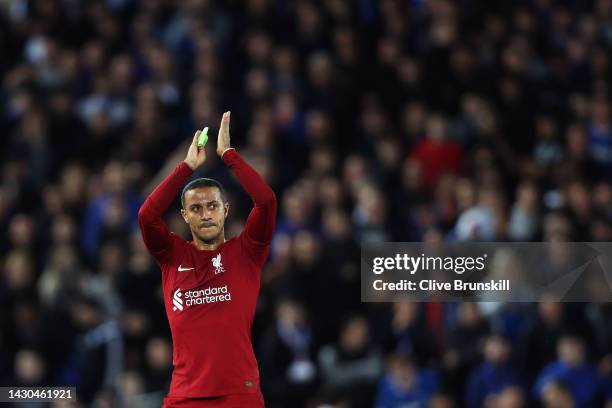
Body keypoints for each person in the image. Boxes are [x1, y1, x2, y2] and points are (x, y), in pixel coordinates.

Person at [138, 111, 277, 407]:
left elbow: (266, 202)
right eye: (196, 209)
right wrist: (187, 166)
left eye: (212, 205)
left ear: (225, 210)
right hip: (185, 396)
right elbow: (146, 216)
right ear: (185, 216)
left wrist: (229, 155)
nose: (206, 214)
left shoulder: (247, 251)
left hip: (240, 394)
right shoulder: (172, 254)